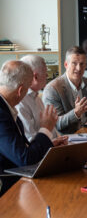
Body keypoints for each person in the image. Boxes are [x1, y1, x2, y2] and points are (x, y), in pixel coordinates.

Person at [0, 60, 67, 196]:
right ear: (20, 90)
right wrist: (46, 128)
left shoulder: (6, 107)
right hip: (9, 188)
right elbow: (25, 159)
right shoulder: (1, 114)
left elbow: (20, 149)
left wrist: (48, 145)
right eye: (28, 88)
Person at [16, 55, 59, 141]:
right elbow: (30, 140)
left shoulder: (36, 97)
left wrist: (58, 140)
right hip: (38, 152)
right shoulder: (20, 101)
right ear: (35, 77)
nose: (47, 75)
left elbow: (51, 132)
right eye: (45, 72)